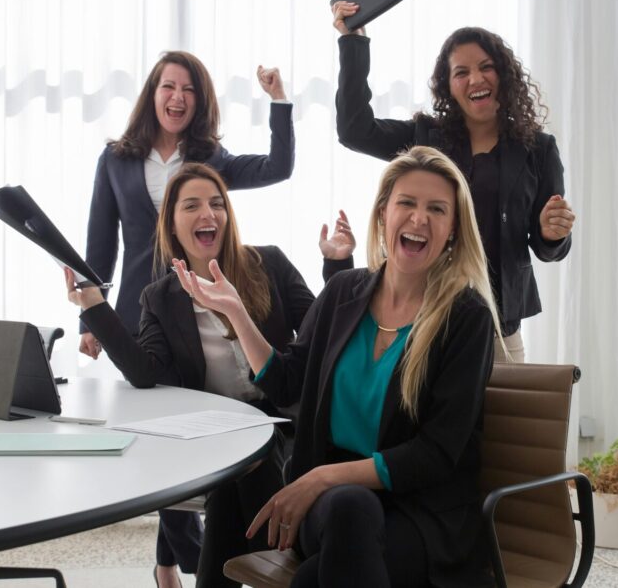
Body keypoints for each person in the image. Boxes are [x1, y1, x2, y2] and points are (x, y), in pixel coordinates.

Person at [174, 146, 501, 587]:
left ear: (453, 230)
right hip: (330, 508)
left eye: (436, 209)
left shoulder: (466, 316)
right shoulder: (345, 291)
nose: (419, 219)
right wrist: (236, 312)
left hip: (421, 514)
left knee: (316, 576)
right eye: (407, 203)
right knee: (349, 507)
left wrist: (322, 478)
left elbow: (436, 455)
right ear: (384, 213)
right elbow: (287, 383)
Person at [66, 164, 355, 588]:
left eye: (217, 203)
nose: (209, 214)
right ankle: (282, 565)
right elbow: (146, 373)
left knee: (242, 472)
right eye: (193, 205)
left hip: (282, 421)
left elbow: (322, 333)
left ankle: (281, 565)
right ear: (173, 224)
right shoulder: (160, 297)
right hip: (219, 432)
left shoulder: (267, 264)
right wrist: (93, 307)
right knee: (234, 475)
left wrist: (337, 264)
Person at [331, 2, 577, 363]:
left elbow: (547, 248)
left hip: (498, 326)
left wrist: (552, 233)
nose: (475, 79)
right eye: (461, 72)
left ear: (503, 76)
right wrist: (354, 42)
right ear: (448, 87)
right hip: (424, 316)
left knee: (503, 421)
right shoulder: (425, 138)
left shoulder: (538, 149)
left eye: (486, 68)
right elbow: (355, 130)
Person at [81, 50, 296, 359]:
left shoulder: (213, 159)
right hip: (135, 311)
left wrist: (278, 98)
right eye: (169, 86)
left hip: (199, 312)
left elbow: (278, 167)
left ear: (200, 101)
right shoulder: (115, 160)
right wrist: (90, 320)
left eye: (189, 90)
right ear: (152, 94)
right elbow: (100, 247)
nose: (178, 97)